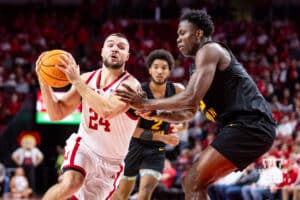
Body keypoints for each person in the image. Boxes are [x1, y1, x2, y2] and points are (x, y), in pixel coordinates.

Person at [116, 9, 276, 200]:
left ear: (198, 33)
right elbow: (189, 112)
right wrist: (157, 113)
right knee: (192, 183)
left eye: (182, 33)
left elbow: (190, 97)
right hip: (244, 127)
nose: (178, 39)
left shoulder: (209, 50)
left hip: (251, 124)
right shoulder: (197, 69)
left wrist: (146, 102)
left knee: (193, 181)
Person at [36, 33, 141, 200]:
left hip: (110, 162)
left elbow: (107, 111)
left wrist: (77, 81)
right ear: (102, 51)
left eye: (121, 47)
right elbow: (56, 113)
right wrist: (44, 81)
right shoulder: (87, 78)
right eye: (111, 45)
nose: (115, 48)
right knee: (71, 184)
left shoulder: (131, 85)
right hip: (85, 147)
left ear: (127, 57)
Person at [111, 49, 193, 200]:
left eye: (164, 68)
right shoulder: (139, 91)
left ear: (169, 71)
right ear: (149, 70)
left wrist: (179, 126)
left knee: (145, 193)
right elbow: (132, 132)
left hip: (156, 149)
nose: (159, 71)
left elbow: (184, 121)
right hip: (133, 145)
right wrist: (164, 138)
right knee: (121, 194)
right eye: (156, 67)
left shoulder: (177, 90)